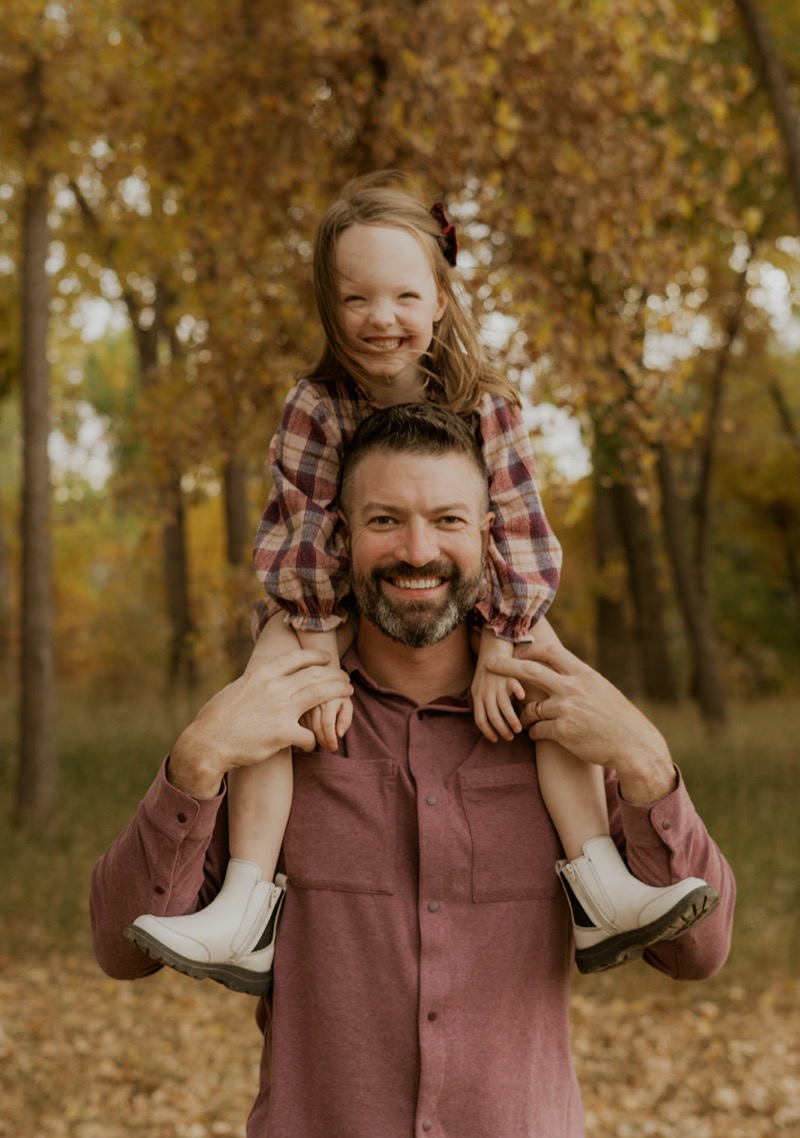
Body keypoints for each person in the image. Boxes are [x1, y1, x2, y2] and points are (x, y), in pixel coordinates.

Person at [91, 404, 736, 1138]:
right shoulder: (277, 728)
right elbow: (120, 948)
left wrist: (646, 760)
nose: (419, 550)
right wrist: (194, 762)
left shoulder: (557, 732)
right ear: (341, 537)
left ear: (489, 537)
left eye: (448, 519)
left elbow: (698, 952)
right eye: (385, 520)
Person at [123, 173, 717, 993]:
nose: (382, 317)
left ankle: (601, 879)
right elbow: (303, 532)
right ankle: (245, 901)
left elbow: (519, 528)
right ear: (330, 306)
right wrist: (316, 654)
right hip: (329, 597)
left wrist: (504, 640)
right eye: (357, 298)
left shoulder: (486, 403)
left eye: (404, 295)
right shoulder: (315, 405)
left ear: (439, 298)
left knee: (550, 679)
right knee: (271, 690)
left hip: (483, 592)